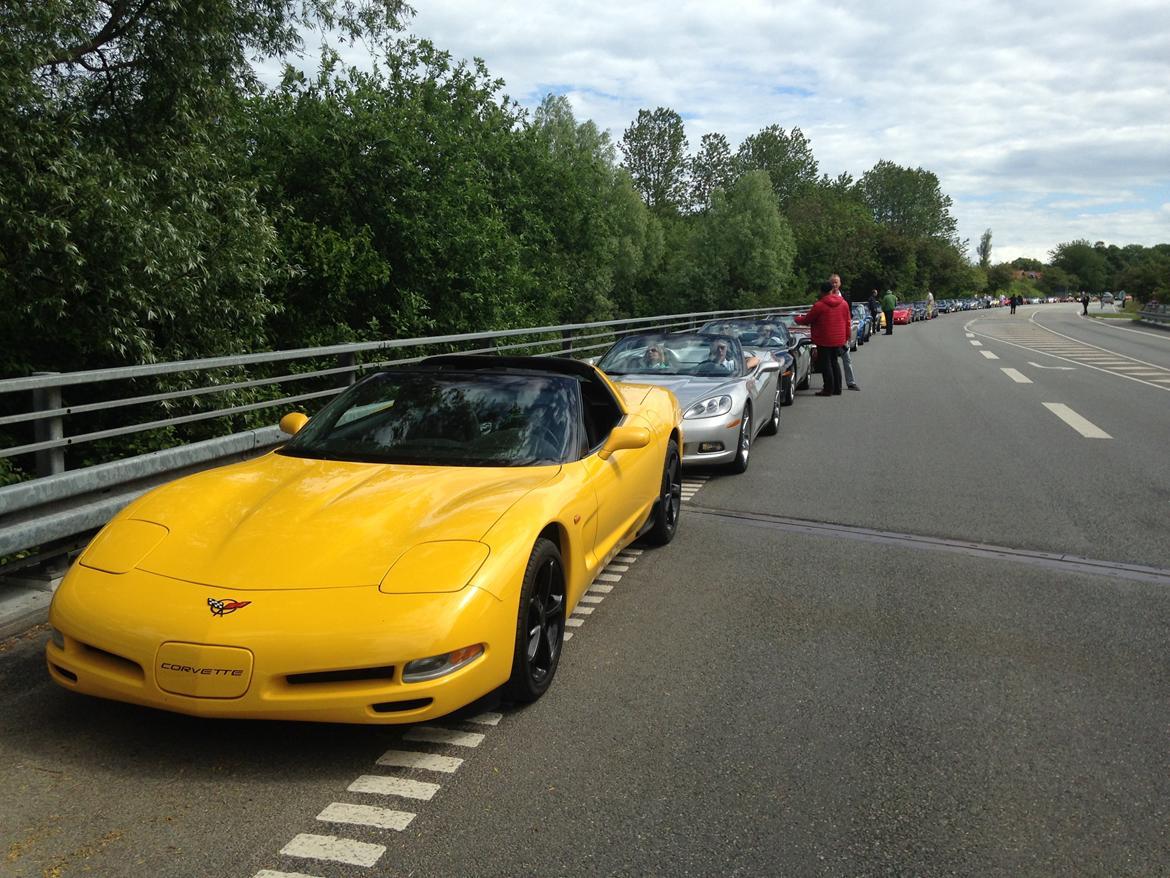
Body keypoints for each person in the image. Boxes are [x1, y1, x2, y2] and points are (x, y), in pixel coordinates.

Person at [795, 281, 849, 396]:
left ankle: (828, 389)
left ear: (821, 291)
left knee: (826, 363)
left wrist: (797, 319)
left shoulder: (819, 305)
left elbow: (807, 320)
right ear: (832, 290)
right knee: (834, 362)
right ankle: (837, 388)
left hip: (824, 338)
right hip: (839, 338)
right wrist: (847, 336)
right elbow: (847, 321)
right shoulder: (843, 303)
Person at [829, 273, 860, 390]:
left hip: (842, 333)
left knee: (846, 358)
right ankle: (830, 383)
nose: (834, 284)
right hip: (830, 333)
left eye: (836, 282)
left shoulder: (846, 298)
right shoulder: (824, 297)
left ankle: (850, 382)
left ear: (840, 283)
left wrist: (848, 334)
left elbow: (849, 317)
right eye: (832, 282)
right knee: (831, 361)